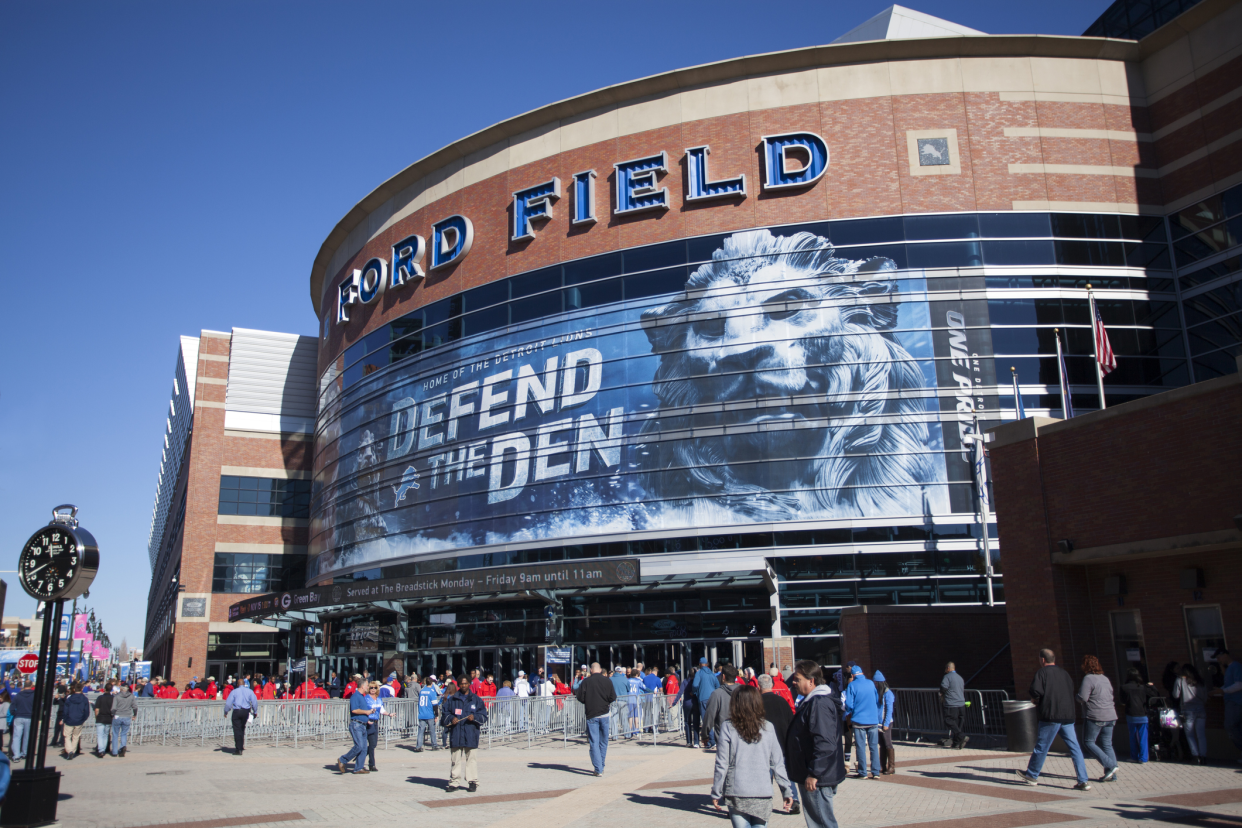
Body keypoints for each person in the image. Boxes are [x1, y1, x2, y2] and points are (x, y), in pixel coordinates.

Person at [711, 685, 793, 828]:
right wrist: (786, 790)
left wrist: (716, 791)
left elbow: (722, 763)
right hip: (762, 791)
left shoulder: (728, 727)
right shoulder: (768, 727)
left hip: (737, 791)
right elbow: (777, 762)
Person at [1015, 649, 1090, 789]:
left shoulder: (1042, 673)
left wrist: (1035, 700)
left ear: (1042, 660)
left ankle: (1032, 775)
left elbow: (1035, 691)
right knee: (1075, 748)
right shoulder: (1065, 673)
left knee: (1042, 746)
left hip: (1050, 715)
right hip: (1068, 715)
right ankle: (1083, 780)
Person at [786, 660, 846, 828]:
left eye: (797, 679)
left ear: (811, 681)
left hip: (817, 778)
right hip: (814, 774)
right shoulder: (812, 701)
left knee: (821, 822)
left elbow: (825, 742)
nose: (794, 683)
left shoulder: (819, 703)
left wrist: (814, 773)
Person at [759, 673, 800, 814]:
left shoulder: (756, 703)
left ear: (758, 687)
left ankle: (765, 801)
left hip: (763, 746)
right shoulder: (782, 702)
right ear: (772, 686)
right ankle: (793, 800)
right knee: (786, 774)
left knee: (765, 776)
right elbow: (791, 723)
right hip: (782, 743)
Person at [441, 675, 488, 792]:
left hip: (471, 734)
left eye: (466, 683)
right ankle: (454, 782)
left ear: (469, 684)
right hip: (456, 734)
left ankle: (472, 781)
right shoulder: (452, 700)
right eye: (461, 683)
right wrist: (451, 718)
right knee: (455, 759)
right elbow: (444, 714)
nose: (463, 685)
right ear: (458, 685)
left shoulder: (476, 699)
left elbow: (484, 716)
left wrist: (475, 717)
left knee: (471, 759)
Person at [1077, 655, 1118, 782]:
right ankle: (1112, 774)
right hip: (1111, 714)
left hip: (1095, 715)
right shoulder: (1105, 679)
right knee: (1107, 744)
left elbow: (1083, 697)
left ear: (1085, 666)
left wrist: (1076, 697)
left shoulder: (1088, 678)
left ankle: (1111, 765)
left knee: (1088, 742)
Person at [575, 662, 617, 776]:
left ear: (592, 670)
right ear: (600, 670)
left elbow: (579, 696)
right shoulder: (607, 681)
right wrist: (606, 702)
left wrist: (587, 701)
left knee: (594, 742)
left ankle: (598, 768)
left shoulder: (586, 682)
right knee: (604, 742)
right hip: (604, 713)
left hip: (591, 714)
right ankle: (601, 765)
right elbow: (613, 697)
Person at [843, 665, 881, 779]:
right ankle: (876, 772)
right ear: (862, 673)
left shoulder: (852, 685)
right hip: (873, 720)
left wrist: (850, 711)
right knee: (873, 746)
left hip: (859, 720)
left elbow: (849, 704)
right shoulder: (870, 683)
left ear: (853, 675)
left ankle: (863, 772)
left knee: (860, 747)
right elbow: (876, 699)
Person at [1119, 667, 1160, 763]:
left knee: (1132, 736)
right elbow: (1155, 695)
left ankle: (1134, 756)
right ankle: (1143, 758)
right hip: (1142, 714)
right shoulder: (1143, 687)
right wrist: (1151, 686)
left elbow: (1123, 701)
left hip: (1131, 714)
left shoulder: (1124, 687)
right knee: (1143, 736)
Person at [336, 683, 374, 774]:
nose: (368, 687)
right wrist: (367, 712)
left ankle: (359, 767)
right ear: (362, 686)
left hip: (363, 724)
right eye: (367, 685)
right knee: (359, 746)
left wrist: (367, 719)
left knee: (364, 748)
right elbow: (354, 710)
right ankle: (343, 760)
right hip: (356, 724)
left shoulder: (362, 696)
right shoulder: (355, 696)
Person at [1174, 663, 1208, 764]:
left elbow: (1175, 695)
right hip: (1200, 708)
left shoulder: (1180, 680)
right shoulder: (1200, 681)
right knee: (1201, 735)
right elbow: (1205, 697)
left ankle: (1195, 755)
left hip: (1187, 709)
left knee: (1190, 735)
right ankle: (1203, 756)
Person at [1214, 648, 1242, 762]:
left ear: (1225, 655)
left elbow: (1239, 685)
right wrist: (1219, 690)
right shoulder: (1230, 668)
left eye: (1219, 657)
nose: (1218, 660)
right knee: (1237, 727)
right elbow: (1228, 685)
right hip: (1231, 701)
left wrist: (1223, 691)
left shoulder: (1236, 666)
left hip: (1236, 701)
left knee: (1230, 726)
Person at [364, 682, 395, 772]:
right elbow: (364, 710)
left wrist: (389, 714)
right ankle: (371, 764)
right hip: (368, 722)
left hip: (375, 722)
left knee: (373, 745)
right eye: (371, 688)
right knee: (368, 744)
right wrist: (366, 720)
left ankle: (362, 757)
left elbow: (381, 710)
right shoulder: (366, 699)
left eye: (374, 688)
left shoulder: (379, 699)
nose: (373, 689)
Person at [223, 678, 259, 756]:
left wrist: (226, 711)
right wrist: (255, 711)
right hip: (245, 711)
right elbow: (254, 702)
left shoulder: (234, 692)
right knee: (242, 728)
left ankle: (238, 749)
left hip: (237, 711)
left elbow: (228, 703)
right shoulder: (249, 691)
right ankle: (241, 746)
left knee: (237, 729)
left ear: (237, 684)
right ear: (244, 684)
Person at [692, 658, 722, 748]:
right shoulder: (712, 674)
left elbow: (694, 685)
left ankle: (712, 741)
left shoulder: (699, 673)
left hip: (703, 698)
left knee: (706, 720)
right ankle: (714, 740)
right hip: (713, 697)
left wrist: (694, 692)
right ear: (707, 664)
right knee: (714, 719)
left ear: (700, 664)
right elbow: (718, 685)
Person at [939, 662, 967, 749]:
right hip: (961, 703)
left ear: (948, 668)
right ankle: (956, 743)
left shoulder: (947, 677)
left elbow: (943, 688)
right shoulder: (960, 678)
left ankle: (961, 736)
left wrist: (941, 695)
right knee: (958, 724)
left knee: (948, 720)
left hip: (951, 704)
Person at [60, 682, 90, 760]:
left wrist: (64, 718)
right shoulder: (84, 699)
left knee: (67, 736)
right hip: (79, 719)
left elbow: (65, 710)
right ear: (82, 689)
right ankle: (72, 751)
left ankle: (69, 750)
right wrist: (83, 719)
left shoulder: (69, 698)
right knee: (76, 737)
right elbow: (87, 711)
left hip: (69, 719)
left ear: (74, 689)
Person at [874, 670, 896, 775]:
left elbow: (889, 710)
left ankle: (891, 767)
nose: (875, 685)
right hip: (878, 723)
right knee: (882, 745)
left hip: (886, 723)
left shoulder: (888, 694)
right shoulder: (877, 693)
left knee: (888, 744)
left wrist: (886, 724)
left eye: (875, 683)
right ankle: (883, 766)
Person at [9, 681, 34, 762]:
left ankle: (16, 755)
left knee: (17, 736)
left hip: (19, 716)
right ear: (31, 685)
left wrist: (15, 713)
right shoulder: (34, 695)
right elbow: (39, 705)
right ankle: (25, 753)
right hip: (29, 717)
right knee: (27, 736)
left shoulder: (18, 695)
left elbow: (12, 707)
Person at [111, 680, 137, 757]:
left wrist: (113, 714)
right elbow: (135, 706)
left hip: (118, 715)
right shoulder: (131, 696)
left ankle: (115, 751)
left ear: (121, 689)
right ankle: (122, 747)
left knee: (115, 734)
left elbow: (113, 708)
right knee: (124, 733)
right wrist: (134, 714)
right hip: (127, 716)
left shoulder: (117, 696)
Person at [416, 676, 440, 751]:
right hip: (429, 714)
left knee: (420, 731)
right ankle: (434, 745)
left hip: (422, 713)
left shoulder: (422, 691)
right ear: (432, 683)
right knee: (432, 731)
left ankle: (418, 746)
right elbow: (435, 705)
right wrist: (436, 715)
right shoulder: (432, 692)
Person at [93, 683, 114, 758]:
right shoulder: (113, 698)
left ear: (104, 689)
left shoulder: (100, 698)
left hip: (100, 717)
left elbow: (96, 709)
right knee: (105, 735)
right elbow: (114, 709)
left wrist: (96, 717)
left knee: (100, 735)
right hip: (108, 718)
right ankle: (103, 750)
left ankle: (100, 750)